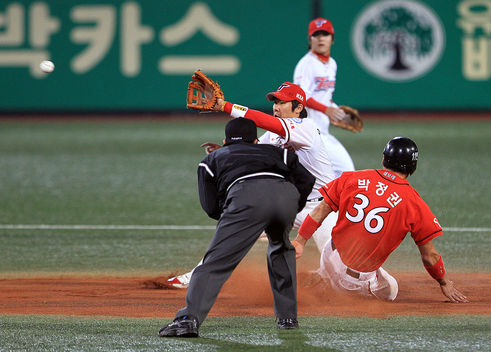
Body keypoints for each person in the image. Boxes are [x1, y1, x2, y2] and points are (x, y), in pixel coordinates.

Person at [167, 82, 338, 289]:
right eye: (275, 102)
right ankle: (197, 275)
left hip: (323, 208)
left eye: (282, 102)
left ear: (299, 107)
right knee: (233, 229)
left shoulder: (306, 128)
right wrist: (223, 152)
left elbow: (263, 121)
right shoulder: (273, 135)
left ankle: (347, 281)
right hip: (289, 204)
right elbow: (253, 154)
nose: (276, 107)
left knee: (340, 269)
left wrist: (225, 106)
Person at [159, 118, 315, 337]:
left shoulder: (212, 158)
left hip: (246, 199)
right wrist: (293, 205)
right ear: (255, 140)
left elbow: (211, 207)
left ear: (225, 141)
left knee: (215, 263)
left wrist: (237, 213)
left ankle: (187, 320)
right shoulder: (279, 152)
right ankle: (288, 319)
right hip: (285, 197)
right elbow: (307, 179)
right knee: (281, 250)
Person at [291, 136, 468, 303]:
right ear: (412, 168)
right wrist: (444, 282)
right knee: (392, 290)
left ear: (384, 160)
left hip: (329, 253)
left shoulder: (352, 177)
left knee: (350, 253)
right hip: (353, 281)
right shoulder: (414, 203)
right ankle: (330, 286)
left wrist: (300, 241)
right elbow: (430, 256)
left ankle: (324, 274)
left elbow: (320, 210)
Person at [294, 17, 355, 178]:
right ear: (310, 39)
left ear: (332, 39)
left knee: (333, 175)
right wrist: (326, 110)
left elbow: (325, 97)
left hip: (322, 132)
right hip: (309, 131)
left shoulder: (332, 64)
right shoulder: (306, 64)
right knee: (346, 171)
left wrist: (338, 113)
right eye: (316, 34)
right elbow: (300, 96)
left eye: (325, 34)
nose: (321, 38)